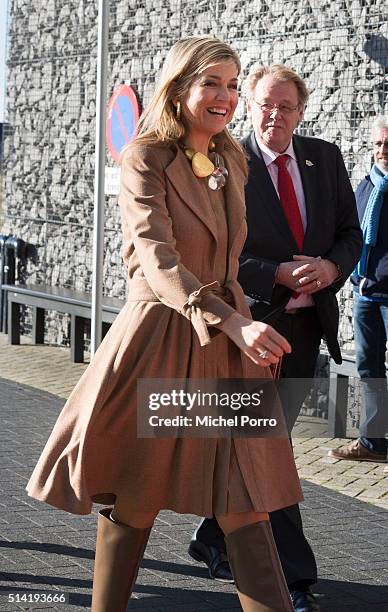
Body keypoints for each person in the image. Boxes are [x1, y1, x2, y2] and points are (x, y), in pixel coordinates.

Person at [26, 39, 304, 612]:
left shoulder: (231, 159)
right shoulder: (145, 158)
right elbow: (158, 262)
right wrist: (234, 323)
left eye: (232, 84)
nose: (225, 96)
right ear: (179, 89)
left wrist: (249, 325)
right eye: (212, 84)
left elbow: (232, 256)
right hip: (164, 343)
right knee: (138, 494)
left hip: (229, 353)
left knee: (245, 497)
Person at [189, 64, 362, 612]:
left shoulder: (325, 157)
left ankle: (212, 537)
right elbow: (214, 250)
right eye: (265, 103)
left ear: (301, 112)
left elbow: (349, 236)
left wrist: (333, 269)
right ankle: (294, 578)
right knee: (272, 450)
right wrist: (273, 274)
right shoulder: (224, 162)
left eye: (286, 106)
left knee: (261, 438)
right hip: (252, 327)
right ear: (248, 105)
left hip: (309, 330)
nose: (275, 115)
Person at [330, 117, 388, 464]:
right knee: (370, 370)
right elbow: (351, 232)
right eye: (378, 144)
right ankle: (374, 442)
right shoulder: (367, 185)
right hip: (366, 294)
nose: (383, 150)